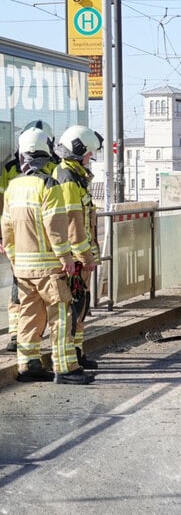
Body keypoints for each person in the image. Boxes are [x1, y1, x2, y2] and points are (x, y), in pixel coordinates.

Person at [1, 128, 93, 384]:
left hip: (23, 269)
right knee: (61, 315)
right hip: (49, 269)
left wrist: (14, 260)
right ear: (46, 154)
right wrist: (66, 260)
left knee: (30, 314)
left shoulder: (13, 187)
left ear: (23, 156)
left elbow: (6, 229)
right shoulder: (49, 185)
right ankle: (65, 368)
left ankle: (28, 364)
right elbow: (56, 229)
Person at [1, 120, 58, 353]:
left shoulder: (12, 168)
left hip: (20, 238)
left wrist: (5, 238)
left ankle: (23, 339)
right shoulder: (53, 167)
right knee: (47, 296)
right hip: (41, 242)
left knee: (22, 289)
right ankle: (21, 336)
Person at [53, 125, 103, 370]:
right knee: (74, 307)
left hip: (78, 257)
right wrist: (85, 257)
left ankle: (78, 352)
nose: (90, 157)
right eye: (89, 153)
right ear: (78, 150)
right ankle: (72, 356)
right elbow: (73, 224)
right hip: (75, 259)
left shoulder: (74, 175)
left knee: (81, 306)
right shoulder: (69, 179)